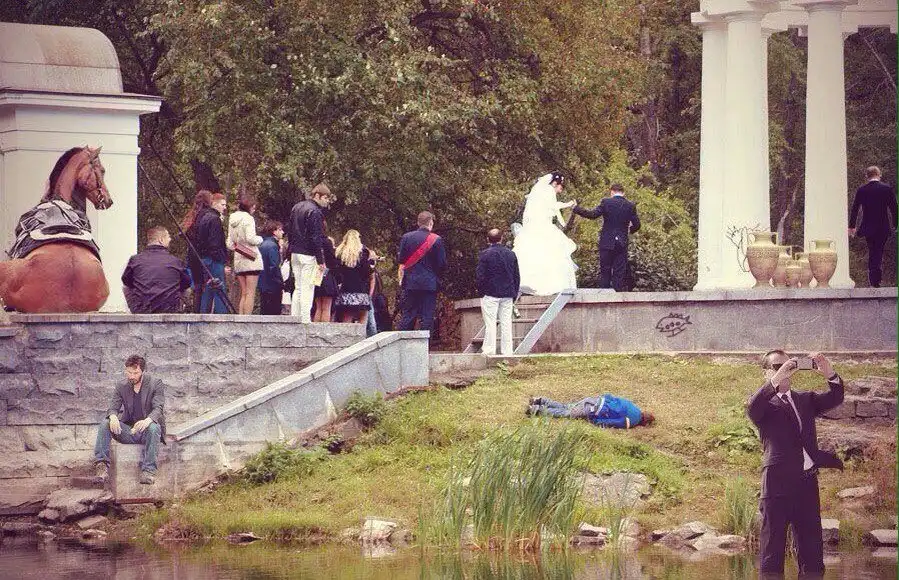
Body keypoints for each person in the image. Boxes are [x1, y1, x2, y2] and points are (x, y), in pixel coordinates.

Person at [746, 351, 844, 578]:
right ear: (766, 372)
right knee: (772, 554)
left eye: (788, 365)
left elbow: (836, 397)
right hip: (776, 484)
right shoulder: (762, 403)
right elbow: (753, 408)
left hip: (807, 483)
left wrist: (829, 372)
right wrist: (776, 379)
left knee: (813, 556)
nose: (784, 369)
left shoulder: (805, 399)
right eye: (776, 366)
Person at [93, 355, 166, 485]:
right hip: (129, 431)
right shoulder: (121, 386)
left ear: (142, 371)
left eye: (135, 373)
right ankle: (102, 467)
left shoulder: (155, 383)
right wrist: (113, 416)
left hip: (148, 432)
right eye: (129, 372)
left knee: (154, 427)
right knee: (105, 423)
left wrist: (147, 421)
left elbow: (158, 408)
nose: (131, 376)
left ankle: (148, 472)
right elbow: (113, 407)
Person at [512, 172, 578, 295]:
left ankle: (532, 281)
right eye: (561, 187)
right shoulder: (548, 190)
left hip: (535, 226)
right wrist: (568, 204)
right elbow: (553, 206)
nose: (560, 190)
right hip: (543, 225)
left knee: (535, 253)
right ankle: (553, 284)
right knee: (552, 252)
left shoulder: (539, 191)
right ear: (555, 183)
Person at [573, 183, 640, 291]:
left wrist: (576, 208)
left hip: (607, 241)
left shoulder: (606, 202)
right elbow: (637, 225)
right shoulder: (630, 205)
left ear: (612, 192)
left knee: (605, 270)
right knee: (619, 272)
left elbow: (592, 215)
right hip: (622, 242)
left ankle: (604, 294)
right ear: (623, 193)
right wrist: (630, 229)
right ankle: (617, 294)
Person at [287, 183, 332, 322]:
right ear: (317, 195)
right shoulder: (315, 212)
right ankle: (305, 319)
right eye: (325, 198)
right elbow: (315, 237)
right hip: (308, 254)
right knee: (308, 287)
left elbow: (290, 231)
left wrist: (290, 250)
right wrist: (320, 260)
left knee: (298, 287)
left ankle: (295, 317)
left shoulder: (297, 207)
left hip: (295, 252)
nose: (327, 201)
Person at [397, 211, 447, 334]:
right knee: (427, 317)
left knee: (408, 315)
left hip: (410, 283)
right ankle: (424, 344)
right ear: (431, 223)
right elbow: (442, 264)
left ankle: (403, 343)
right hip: (429, 283)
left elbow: (402, 261)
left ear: (418, 223)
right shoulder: (436, 239)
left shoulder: (406, 237)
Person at [121, 226, 191, 314]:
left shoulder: (135, 260)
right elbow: (187, 284)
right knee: (187, 289)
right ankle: (180, 310)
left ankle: (136, 313)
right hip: (170, 310)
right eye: (168, 236)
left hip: (142, 310)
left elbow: (126, 281)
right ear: (161, 240)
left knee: (126, 288)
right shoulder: (176, 261)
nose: (170, 239)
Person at [849, 166, 897, 287]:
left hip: (868, 227)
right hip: (883, 227)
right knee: (878, 251)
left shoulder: (862, 190)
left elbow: (855, 209)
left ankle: (874, 279)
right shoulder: (886, 189)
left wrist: (852, 227)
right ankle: (876, 279)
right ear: (879, 174)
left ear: (867, 176)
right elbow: (894, 208)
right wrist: (896, 224)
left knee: (872, 251)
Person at [476, 228, 520, 355]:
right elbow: (516, 276)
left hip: (490, 294)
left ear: (488, 240)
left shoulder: (485, 254)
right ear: (502, 238)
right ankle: (507, 351)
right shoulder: (511, 254)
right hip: (507, 294)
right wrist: (514, 293)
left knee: (490, 323)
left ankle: (489, 350)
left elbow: (480, 276)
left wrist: (481, 292)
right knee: (506, 323)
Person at [187, 192, 229, 313]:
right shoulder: (214, 219)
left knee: (207, 291)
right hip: (214, 260)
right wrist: (221, 259)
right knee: (219, 290)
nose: (224, 208)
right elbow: (215, 243)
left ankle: (203, 315)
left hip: (203, 259)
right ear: (213, 203)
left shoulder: (200, 217)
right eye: (222, 205)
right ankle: (221, 316)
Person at [226, 191, 264, 314]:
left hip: (239, 259)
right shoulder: (248, 219)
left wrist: (239, 247)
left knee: (244, 293)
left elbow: (229, 243)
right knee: (250, 293)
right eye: (253, 207)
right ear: (249, 207)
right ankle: (247, 320)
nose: (254, 209)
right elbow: (250, 238)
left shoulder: (232, 220)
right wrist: (261, 239)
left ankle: (241, 318)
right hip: (251, 259)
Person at [526, 393, 654, 428]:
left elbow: (612, 397)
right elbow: (613, 422)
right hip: (595, 410)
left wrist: (602, 398)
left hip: (595, 400)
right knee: (567, 413)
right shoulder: (632, 421)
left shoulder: (634, 407)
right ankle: (536, 410)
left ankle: (540, 400)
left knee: (567, 407)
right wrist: (596, 422)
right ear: (644, 422)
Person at [333, 230, 373, 324]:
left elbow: (337, 272)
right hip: (360, 290)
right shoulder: (362, 254)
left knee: (347, 317)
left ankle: (346, 333)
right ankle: (361, 333)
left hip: (346, 290)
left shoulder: (340, 255)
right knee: (363, 316)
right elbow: (367, 273)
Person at [257, 220, 285, 315]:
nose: (282, 232)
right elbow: (274, 266)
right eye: (280, 230)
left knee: (264, 311)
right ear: (274, 231)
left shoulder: (262, 244)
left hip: (263, 284)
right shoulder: (273, 246)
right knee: (274, 312)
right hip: (273, 285)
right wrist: (280, 282)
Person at [313, 234, 339, 322]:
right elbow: (333, 261)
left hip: (316, 276)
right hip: (327, 276)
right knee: (326, 307)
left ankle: (315, 329)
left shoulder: (313, 241)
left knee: (318, 307)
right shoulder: (327, 242)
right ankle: (323, 329)